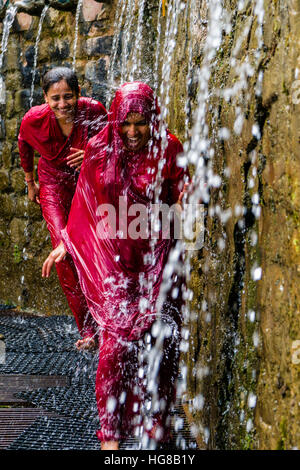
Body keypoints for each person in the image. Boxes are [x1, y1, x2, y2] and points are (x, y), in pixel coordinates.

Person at [42, 82, 189, 450]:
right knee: (113, 349)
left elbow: (183, 191)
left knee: (163, 342)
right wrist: (68, 242)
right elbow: (85, 199)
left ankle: (158, 422)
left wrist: (187, 202)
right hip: (116, 261)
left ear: (152, 119)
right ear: (116, 120)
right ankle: (110, 434)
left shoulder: (168, 147)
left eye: (140, 123)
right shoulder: (100, 147)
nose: (133, 131)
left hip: (159, 257)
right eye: (126, 123)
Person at [18, 66, 107, 348]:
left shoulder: (93, 111)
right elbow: (24, 144)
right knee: (63, 252)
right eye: (55, 98)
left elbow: (115, 143)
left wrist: (92, 153)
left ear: (79, 94)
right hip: (53, 183)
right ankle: (89, 330)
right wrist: (30, 182)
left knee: (96, 245)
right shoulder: (33, 120)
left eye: (68, 96)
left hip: (85, 181)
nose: (62, 104)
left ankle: (107, 317)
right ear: (45, 98)